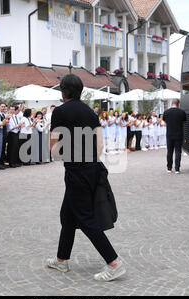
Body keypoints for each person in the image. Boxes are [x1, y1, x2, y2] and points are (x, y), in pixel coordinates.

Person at [47, 74, 126, 282]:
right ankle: (61, 260)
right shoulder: (91, 113)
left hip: (75, 172)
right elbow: (100, 146)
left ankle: (114, 262)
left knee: (86, 218)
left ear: (63, 91)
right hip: (93, 168)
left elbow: (54, 150)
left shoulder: (60, 112)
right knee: (67, 215)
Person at [163, 99, 187, 173]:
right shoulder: (182, 112)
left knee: (169, 151)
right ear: (178, 104)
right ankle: (177, 169)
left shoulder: (166, 112)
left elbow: (165, 122)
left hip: (169, 134)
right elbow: (184, 122)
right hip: (179, 134)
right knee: (178, 151)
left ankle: (169, 168)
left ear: (172, 103)